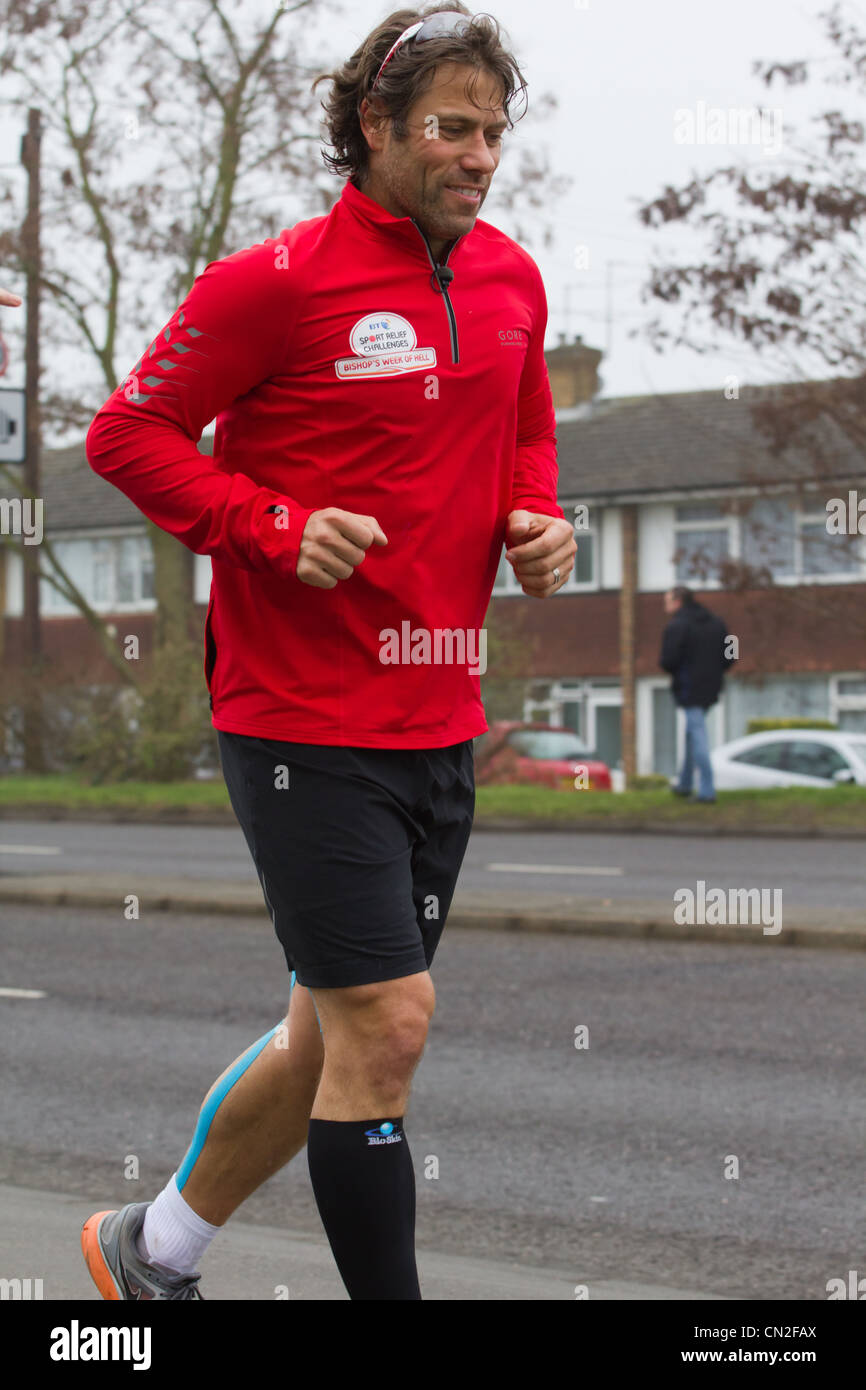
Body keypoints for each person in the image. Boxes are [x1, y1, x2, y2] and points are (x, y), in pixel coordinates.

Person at [79, 4, 576, 1301]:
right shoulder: (276, 282)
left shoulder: (514, 281)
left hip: (438, 717)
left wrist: (535, 514)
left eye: (492, 132)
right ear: (375, 127)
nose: (477, 155)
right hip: (297, 718)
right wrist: (267, 523)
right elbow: (127, 432)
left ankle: (153, 1248)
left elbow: (526, 429)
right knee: (390, 1022)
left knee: (326, 1031)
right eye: (450, 128)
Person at [660, 587, 735, 803]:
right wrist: (720, 667)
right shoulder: (718, 622)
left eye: (667, 600)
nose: (665, 605)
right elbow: (732, 648)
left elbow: (668, 660)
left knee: (698, 735)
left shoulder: (677, 626)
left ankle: (707, 790)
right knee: (692, 733)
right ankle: (684, 783)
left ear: (678, 601)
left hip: (689, 688)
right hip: (712, 686)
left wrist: (678, 669)